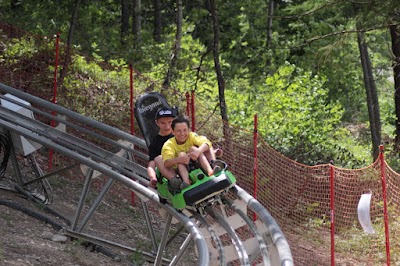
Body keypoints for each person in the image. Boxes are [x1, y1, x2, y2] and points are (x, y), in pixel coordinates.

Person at [161, 115, 221, 190]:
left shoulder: (191, 136)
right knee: (181, 155)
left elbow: (206, 142)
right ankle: (186, 182)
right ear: (173, 132)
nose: (182, 134)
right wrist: (179, 160)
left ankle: (210, 171)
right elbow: (166, 163)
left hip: (195, 162)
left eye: (185, 130)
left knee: (194, 148)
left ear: (189, 130)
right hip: (181, 169)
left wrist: (198, 151)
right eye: (178, 131)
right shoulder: (169, 144)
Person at [147, 107, 177, 189]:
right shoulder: (155, 142)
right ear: (157, 123)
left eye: (170, 122)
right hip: (169, 169)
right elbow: (151, 164)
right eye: (163, 123)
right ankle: (176, 181)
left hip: (183, 164)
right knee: (159, 158)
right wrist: (152, 177)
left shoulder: (179, 134)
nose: (167, 126)